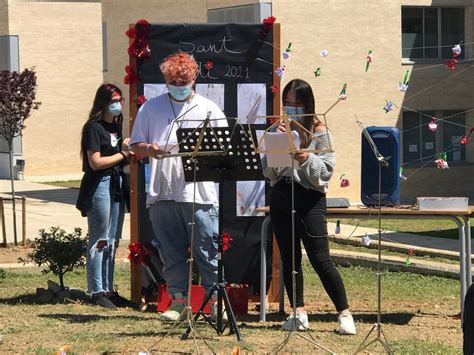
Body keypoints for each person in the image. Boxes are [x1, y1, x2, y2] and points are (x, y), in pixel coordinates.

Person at [130, 52, 226, 321]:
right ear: (165, 80)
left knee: (206, 249)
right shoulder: (150, 108)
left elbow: (224, 151)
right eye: (174, 81)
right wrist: (150, 148)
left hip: (200, 193)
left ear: (194, 78)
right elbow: (135, 145)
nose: (179, 85)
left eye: (184, 81)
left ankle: (216, 302)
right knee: (170, 251)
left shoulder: (209, 108)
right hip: (162, 191)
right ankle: (179, 302)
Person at [263, 79, 356, 334]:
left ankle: (344, 313)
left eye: (297, 103)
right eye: (288, 103)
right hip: (282, 195)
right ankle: (298, 312)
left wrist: (306, 159)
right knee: (289, 259)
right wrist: (277, 144)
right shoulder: (277, 128)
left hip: (309, 198)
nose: (292, 108)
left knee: (320, 258)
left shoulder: (319, 131)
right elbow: (267, 170)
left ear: (308, 103)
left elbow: (325, 172)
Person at [76, 83, 131, 309]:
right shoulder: (93, 128)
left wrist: (125, 152)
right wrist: (122, 154)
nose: (117, 104)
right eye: (113, 100)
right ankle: (96, 290)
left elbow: (120, 157)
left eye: (120, 99)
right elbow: (95, 162)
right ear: (103, 103)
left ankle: (109, 289)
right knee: (99, 238)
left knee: (113, 240)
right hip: (100, 185)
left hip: (117, 184)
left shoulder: (115, 128)